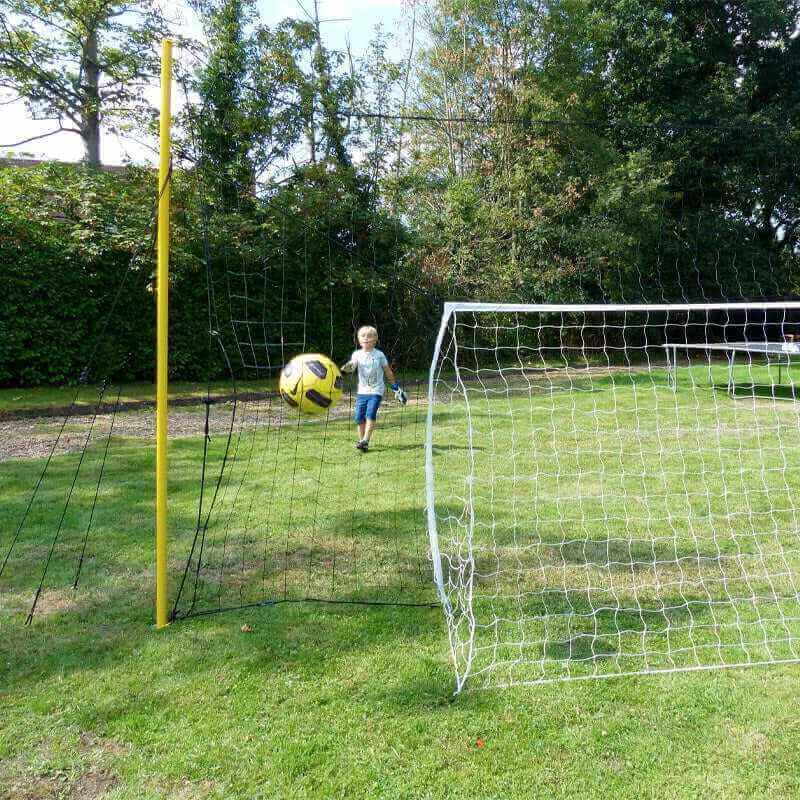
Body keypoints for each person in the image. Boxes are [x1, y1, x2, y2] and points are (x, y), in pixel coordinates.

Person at [340, 325, 407, 452]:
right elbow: (352, 366)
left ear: (375, 339)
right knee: (359, 418)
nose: (366, 338)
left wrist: (395, 387)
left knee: (370, 413)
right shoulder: (357, 354)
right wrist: (344, 370)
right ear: (359, 340)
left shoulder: (379, 355)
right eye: (363, 336)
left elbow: (387, 371)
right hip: (362, 391)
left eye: (370, 336)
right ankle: (362, 442)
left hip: (376, 390)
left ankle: (365, 440)